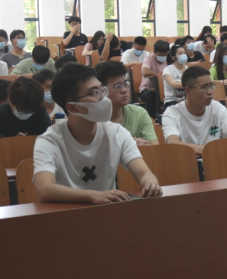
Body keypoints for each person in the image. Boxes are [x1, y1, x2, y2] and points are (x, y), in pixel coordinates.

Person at [34, 64, 162, 204]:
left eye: (102, 90)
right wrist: (91, 196)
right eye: (94, 93)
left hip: (107, 212)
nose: (103, 98)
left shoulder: (117, 132)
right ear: (73, 107)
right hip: (66, 213)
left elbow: (145, 175)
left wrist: (151, 183)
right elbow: (45, 189)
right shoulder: (49, 141)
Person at [162, 67, 227, 156]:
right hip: (187, 161)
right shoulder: (172, 113)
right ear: (188, 90)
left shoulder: (218, 108)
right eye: (204, 87)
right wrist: (201, 149)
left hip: (215, 160)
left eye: (211, 86)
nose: (210, 91)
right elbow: (172, 142)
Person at [95, 61, 157, 146]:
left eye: (125, 84)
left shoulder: (139, 113)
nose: (124, 90)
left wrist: (144, 146)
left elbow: (155, 147)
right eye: (118, 86)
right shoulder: (92, 119)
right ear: (102, 91)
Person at [139, 40, 170, 118]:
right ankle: (150, 119)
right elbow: (145, 72)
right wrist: (159, 76)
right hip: (148, 89)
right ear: (154, 52)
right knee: (152, 96)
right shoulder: (149, 58)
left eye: (165, 55)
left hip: (165, 89)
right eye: (160, 55)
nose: (163, 57)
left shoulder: (169, 58)